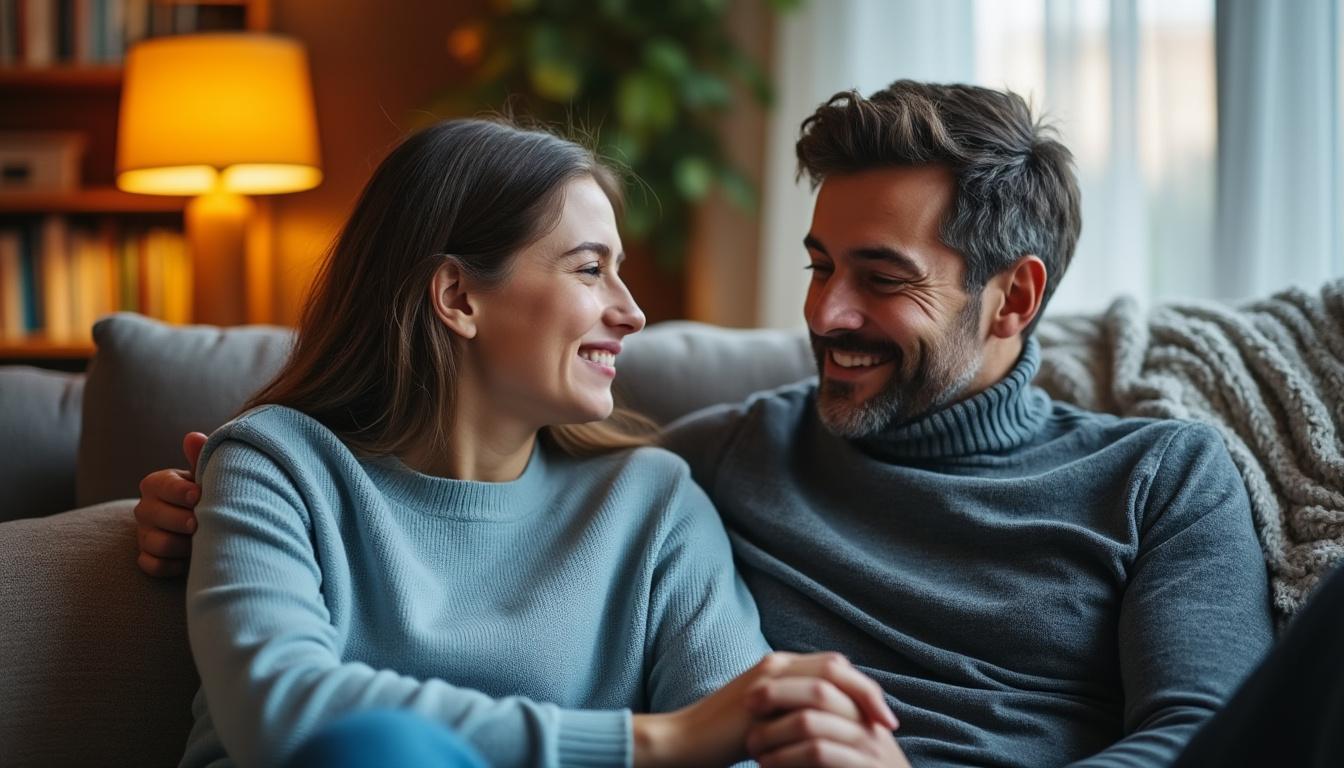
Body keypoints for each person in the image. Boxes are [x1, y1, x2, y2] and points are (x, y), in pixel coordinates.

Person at [138, 82, 1344, 766]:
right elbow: (488, 500)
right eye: (819, 265)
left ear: (1014, 296)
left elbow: (1206, 745)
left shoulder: (1162, 476)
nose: (824, 314)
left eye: (880, 276)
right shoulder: (717, 458)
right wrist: (199, 504)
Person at [150, 117, 900, 768]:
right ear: (458, 297)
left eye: (621, 272)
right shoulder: (277, 464)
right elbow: (278, 713)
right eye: (589, 269)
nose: (632, 313)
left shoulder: (650, 501)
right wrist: (661, 743)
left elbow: (741, 746)